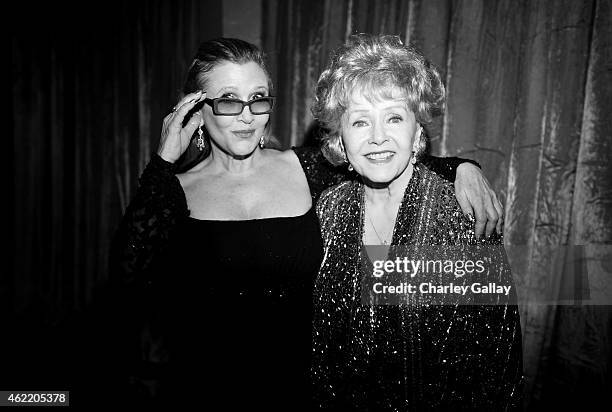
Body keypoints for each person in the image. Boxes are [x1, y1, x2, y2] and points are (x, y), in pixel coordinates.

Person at [110, 38, 505, 409]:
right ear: (197, 110)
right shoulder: (171, 194)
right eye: (229, 101)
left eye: (258, 99)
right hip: (207, 391)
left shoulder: (306, 168)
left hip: (306, 393)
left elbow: (377, 153)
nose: (247, 116)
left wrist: (461, 168)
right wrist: (162, 163)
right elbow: (126, 279)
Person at [311, 34, 523, 410]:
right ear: (341, 142)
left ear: (417, 133)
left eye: (394, 117)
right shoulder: (328, 211)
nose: (378, 137)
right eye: (360, 122)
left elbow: (497, 358)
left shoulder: (460, 212)